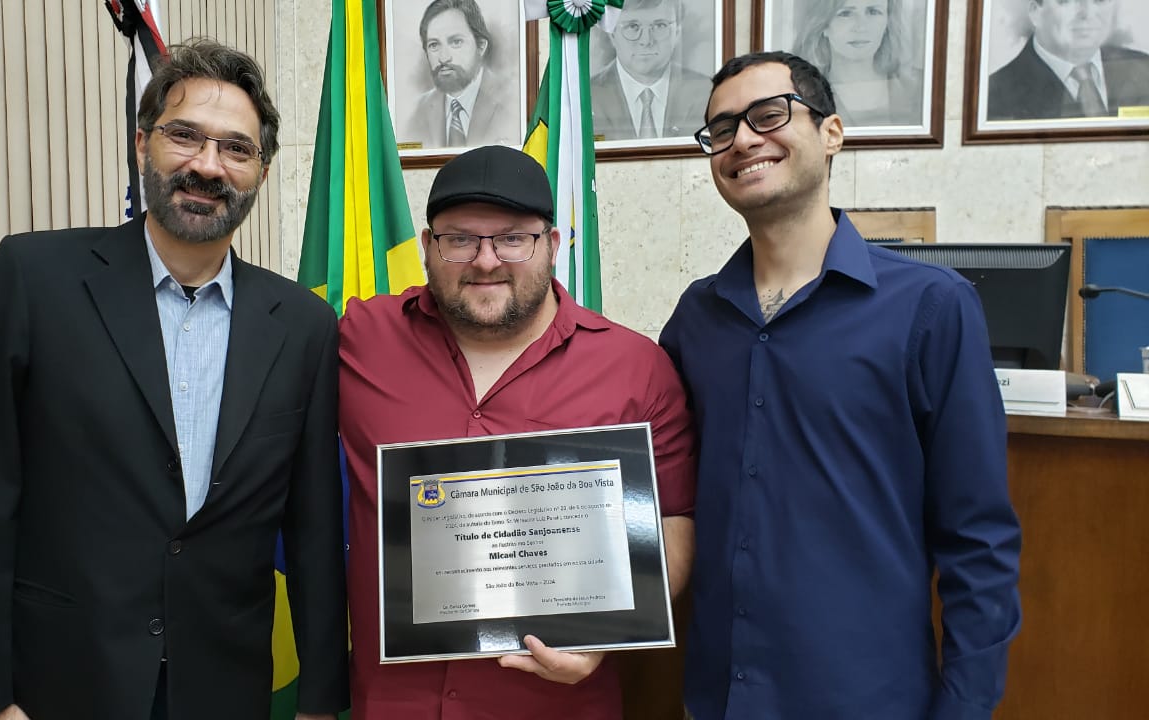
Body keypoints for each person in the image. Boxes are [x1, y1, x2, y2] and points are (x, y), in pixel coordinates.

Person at [0, 39, 347, 720]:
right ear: (143, 143)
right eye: (185, 136)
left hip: (225, 690)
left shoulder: (304, 326)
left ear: (261, 172)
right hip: (55, 686)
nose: (207, 165)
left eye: (236, 149)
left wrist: (320, 702)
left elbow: (314, 531)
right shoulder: (33, 280)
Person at [665, 51, 1022, 719]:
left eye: (768, 115)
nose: (742, 140)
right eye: (722, 129)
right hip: (720, 698)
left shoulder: (931, 306)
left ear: (831, 133)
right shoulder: (696, 318)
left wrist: (965, 708)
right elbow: (657, 477)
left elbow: (979, 539)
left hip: (865, 697)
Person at [339, 145, 696, 719]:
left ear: (552, 244)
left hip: (557, 706)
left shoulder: (635, 368)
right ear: (427, 246)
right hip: (392, 703)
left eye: (512, 238)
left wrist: (606, 633)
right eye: (460, 239)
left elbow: (674, 519)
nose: (486, 261)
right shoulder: (360, 340)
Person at [988, 0, 1149, 120]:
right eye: (1067, 1)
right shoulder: (995, 95)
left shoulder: (1144, 69)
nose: (1087, 13)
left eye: (1099, 0)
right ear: (1035, 12)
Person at [400, 0, 518, 149]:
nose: (444, 58)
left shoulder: (513, 101)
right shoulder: (418, 111)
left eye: (456, 42)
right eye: (434, 45)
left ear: (481, 46)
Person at [590, 0, 712, 140]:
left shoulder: (706, 91)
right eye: (633, 26)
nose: (646, 41)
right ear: (612, 34)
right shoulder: (587, 95)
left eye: (659, 25)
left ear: (677, 33)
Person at [793, 0, 923, 126]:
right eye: (845, 13)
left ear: (887, 22)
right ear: (824, 25)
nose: (861, 27)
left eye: (873, 11)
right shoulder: (799, 94)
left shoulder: (920, 88)